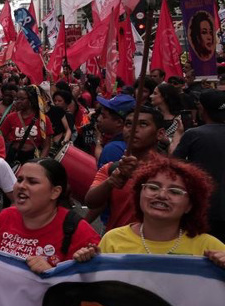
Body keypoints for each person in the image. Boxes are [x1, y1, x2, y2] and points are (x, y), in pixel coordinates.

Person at [74, 158, 225, 267]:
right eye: (153, 187)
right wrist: (86, 265)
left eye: (174, 191)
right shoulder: (113, 240)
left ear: (190, 205)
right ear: (139, 194)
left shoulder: (209, 247)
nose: (161, 195)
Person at [0, 159, 100, 273]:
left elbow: (95, 282)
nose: (21, 186)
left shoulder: (78, 230)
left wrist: (52, 273)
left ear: (55, 192)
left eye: (32, 182)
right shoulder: (4, 217)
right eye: (19, 180)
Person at [85, 105, 169, 230]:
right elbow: (91, 202)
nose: (133, 129)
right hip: (119, 245)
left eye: (143, 124)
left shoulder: (172, 171)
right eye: (129, 124)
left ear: (160, 133)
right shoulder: (112, 169)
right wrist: (111, 182)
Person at [174, 90, 225, 242]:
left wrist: (177, 135)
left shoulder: (193, 135)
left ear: (202, 108)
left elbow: (173, 165)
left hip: (204, 209)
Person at [0, 86, 52, 165]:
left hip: (33, 158)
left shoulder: (43, 119)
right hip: (13, 157)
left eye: (22, 99)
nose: (18, 101)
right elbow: (0, 137)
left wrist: (39, 163)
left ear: (31, 100)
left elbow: (46, 145)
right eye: (17, 99)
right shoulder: (11, 117)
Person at [95, 94, 133, 168]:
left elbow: (102, 178)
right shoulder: (130, 143)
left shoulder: (113, 148)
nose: (98, 119)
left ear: (119, 122)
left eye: (103, 116)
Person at [152, 82, 185, 152]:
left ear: (164, 96)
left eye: (155, 94)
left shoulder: (180, 118)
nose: (151, 96)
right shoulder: (151, 116)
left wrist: (167, 140)